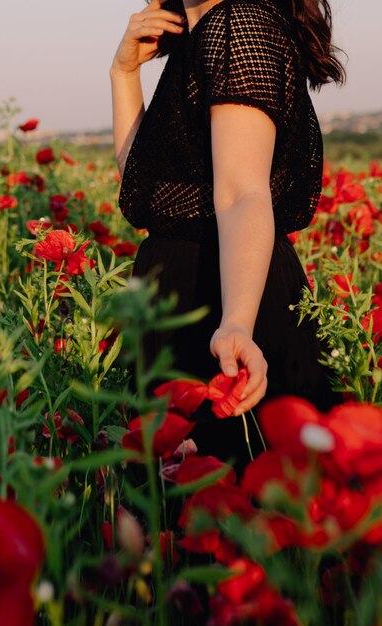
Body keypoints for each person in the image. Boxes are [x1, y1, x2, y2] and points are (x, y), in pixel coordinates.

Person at [110, 0, 345, 478]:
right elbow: (148, 188)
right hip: (187, 292)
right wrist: (124, 73)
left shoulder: (239, 24)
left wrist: (237, 322)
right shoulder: (198, 38)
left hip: (222, 298)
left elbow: (242, 194)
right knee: (181, 527)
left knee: (232, 515)